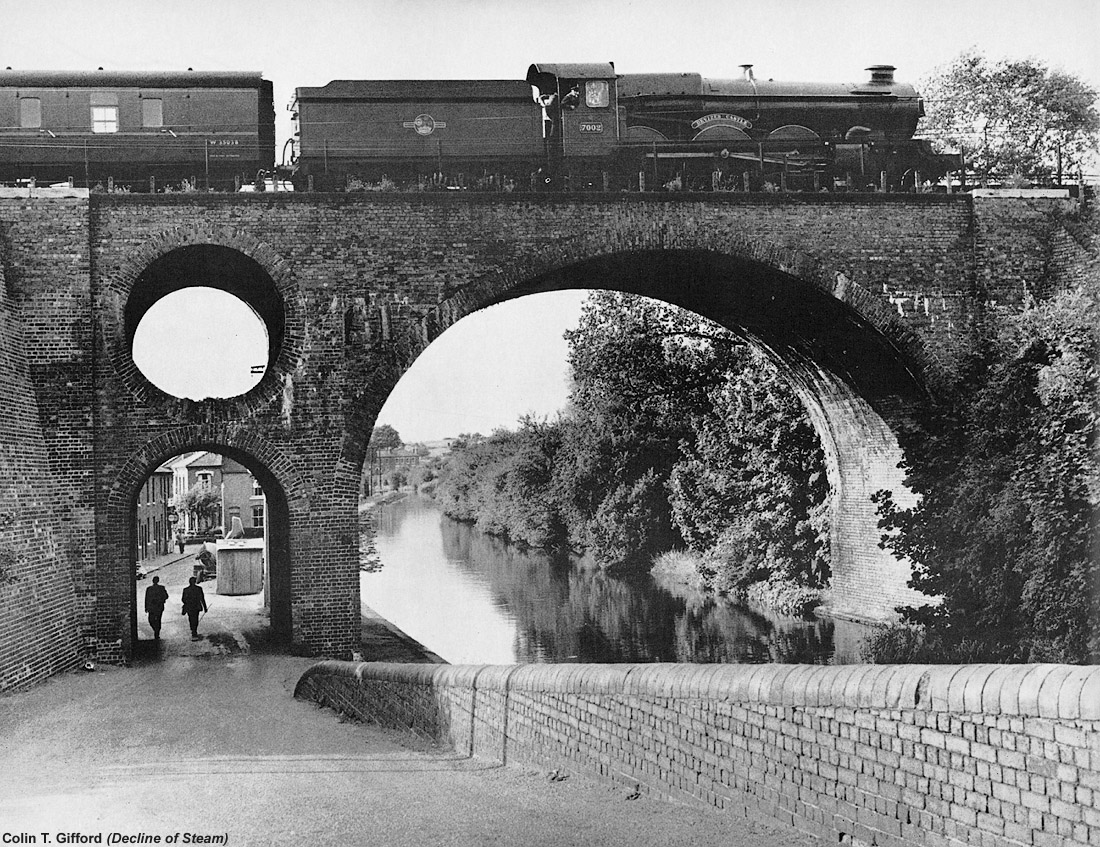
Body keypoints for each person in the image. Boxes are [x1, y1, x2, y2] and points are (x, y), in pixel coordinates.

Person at [181, 576, 208, 641]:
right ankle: (194, 630)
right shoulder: (199, 589)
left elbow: (183, 599)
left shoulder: (186, 589)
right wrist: (205, 607)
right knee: (196, 618)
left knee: (190, 618)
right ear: (195, 582)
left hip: (189, 607)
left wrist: (187, 602)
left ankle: (193, 630)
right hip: (196, 606)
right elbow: (202, 598)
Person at [144, 575, 169, 641]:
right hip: (153, 607)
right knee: (151, 620)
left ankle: (157, 632)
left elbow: (166, 596)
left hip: (158, 606)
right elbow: (146, 598)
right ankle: (156, 630)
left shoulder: (161, 588)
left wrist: (160, 600)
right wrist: (146, 607)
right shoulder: (149, 589)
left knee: (157, 619)